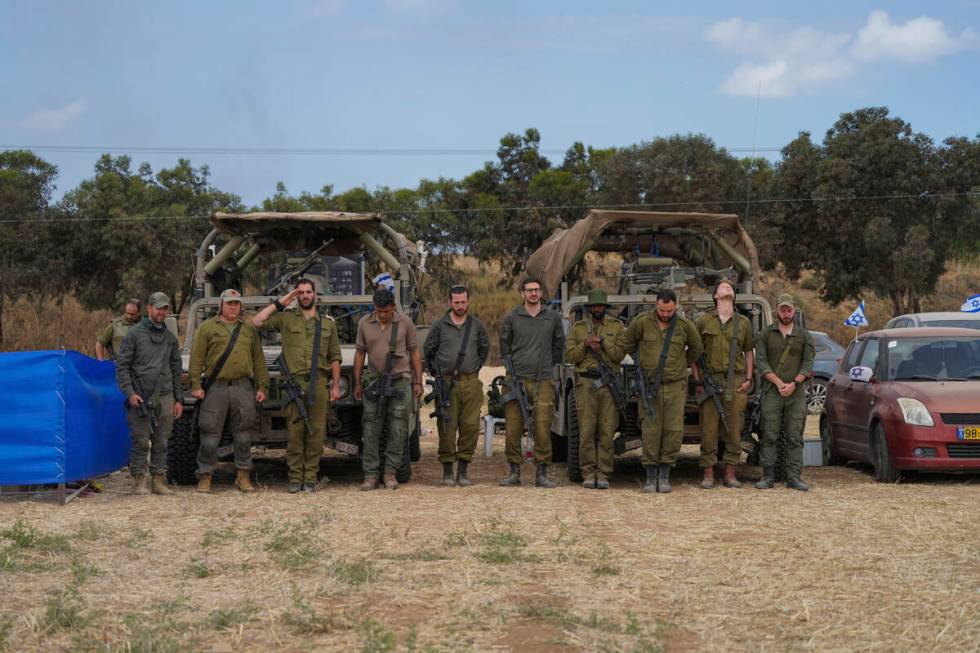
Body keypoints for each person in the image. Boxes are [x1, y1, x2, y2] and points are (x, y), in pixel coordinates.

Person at [253, 278, 342, 493]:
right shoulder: (285, 319)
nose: (304, 295)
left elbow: (335, 357)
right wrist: (281, 302)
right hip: (293, 385)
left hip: (319, 384)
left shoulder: (327, 323)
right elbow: (257, 321)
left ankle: (310, 478)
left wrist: (336, 385)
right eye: (300, 292)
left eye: (308, 292)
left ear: (315, 295)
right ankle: (295, 478)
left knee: (316, 434)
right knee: (294, 434)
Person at [609, 288, 703, 493]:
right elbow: (626, 344)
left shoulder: (684, 326)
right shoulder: (642, 322)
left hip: (675, 386)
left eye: (670, 311)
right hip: (649, 386)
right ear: (656, 305)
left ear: (675, 306)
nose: (666, 314)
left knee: (673, 430)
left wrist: (680, 364)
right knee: (650, 429)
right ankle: (651, 475)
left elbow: (696, 348)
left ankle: (665, 474)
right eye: (662, 310)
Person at [187, 288, 269, 494]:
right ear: (221, 305)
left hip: (243, 387)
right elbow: (196, 359)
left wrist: (262, 386)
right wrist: (195, 385)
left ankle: (243, 476)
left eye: (236, 303)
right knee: (209, 435)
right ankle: (205, 476)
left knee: (243, 436)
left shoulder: (248, 329)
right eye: (229, 303)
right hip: (216, 388)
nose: (233, 307)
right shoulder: (207, 327)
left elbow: (258, 359)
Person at [353, 288, 423, 491]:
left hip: (400, 380)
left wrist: (418, 381)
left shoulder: (405, 323)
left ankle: (390, 472)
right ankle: (370, 474)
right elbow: (359, 353)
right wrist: (358, 383)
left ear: (393, 307)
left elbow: (414, 352)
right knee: (371, 427)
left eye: (385, 311)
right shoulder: (365, 323)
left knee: (398, 428)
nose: (382, 315)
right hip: (374, 381)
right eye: (378, 311)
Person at [498, 277, 565, 489]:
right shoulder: (512, 317)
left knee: (543, 426)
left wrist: (549, 368)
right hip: (515, 380)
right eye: (529, 290)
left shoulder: (552, 317)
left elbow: (558, 344)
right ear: (522, 293)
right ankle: (514, 471)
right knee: (513, 426)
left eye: (537, 290)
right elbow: (504, 346)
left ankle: (542, 472)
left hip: (543, 379)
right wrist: (512, 371)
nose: (534, 294)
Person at [114, 292, 184, 495]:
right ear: (149, 309)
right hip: (140, 397)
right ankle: (139, 480)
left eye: (165, 309)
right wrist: (129, 393)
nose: (162, 312)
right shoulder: (134, 335)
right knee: (141, 440)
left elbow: (176, 368)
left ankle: (159, 480)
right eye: (159, 308)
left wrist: (178, 399)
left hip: (165, 395)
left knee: (162, 440)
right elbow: (123, 366)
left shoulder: (170, 339)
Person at [422, 284, 490, 487]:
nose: (460, 305)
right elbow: (429, 350)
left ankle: (463, 470)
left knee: (470, 427)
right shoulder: (439, 325)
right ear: (449, 302)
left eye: (463, 302)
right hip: (447, 385)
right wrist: (437, 373)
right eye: (456, 302)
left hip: (470, 383)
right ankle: (448, 472)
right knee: (447, 427)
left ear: (468, 301)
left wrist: (475, 366)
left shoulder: (476, 325)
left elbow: (484, 348)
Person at [692, 279, 754, 489]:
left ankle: (730, 472)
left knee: (734, 429)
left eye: (730, 288)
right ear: (715, 296)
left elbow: (748, 353)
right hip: (710, 381)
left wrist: (748, 379)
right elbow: (694, 353)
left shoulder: (743, 323)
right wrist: (698, 380)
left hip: (734, 382)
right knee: (708, 429)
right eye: (723, 287)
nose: (728, 289)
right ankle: (708, 473)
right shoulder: (703, 321)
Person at [564, 289, 625, 489]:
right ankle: (588, 472)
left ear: (605, 307)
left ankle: (604, 472)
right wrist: (585, 344)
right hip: (586, 384)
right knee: (587, 431)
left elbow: (619, 354)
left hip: (608, 383)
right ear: (589, 308)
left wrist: (604, 343)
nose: (597, 309)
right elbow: (570, 357)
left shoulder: (617, 327)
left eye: (600, 306)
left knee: (607, 431)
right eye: (594, 306)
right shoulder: (579, 328)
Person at [754, 293, 815, 492]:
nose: (786, 313)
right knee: (769, 434)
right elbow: (761, 362)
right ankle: (768, 476)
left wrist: (794, 384)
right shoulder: (765, 334)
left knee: (794, 435)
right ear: (777, 310)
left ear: (794, 311)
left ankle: (794, 477)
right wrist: (779, 383)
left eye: (789, 310)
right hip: (773, 391)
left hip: (795, 393)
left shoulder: (804, 336)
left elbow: (807, 364)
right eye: (783, 309)